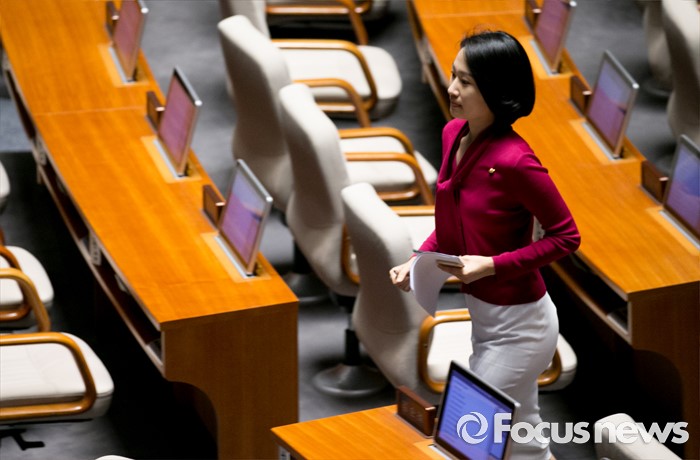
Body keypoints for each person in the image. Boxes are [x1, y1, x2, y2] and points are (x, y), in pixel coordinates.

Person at [390, 30, 580, 460]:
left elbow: (566, 236)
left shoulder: (516, 161)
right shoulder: (452, 134)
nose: (452, 89)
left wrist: (491, 265)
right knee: (524, 433)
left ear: (497, 90)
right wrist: (417, 260)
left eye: (467, 82)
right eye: (453, 76)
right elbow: (450, 223)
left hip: (522, 327)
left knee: (465, 428)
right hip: (484, 318)